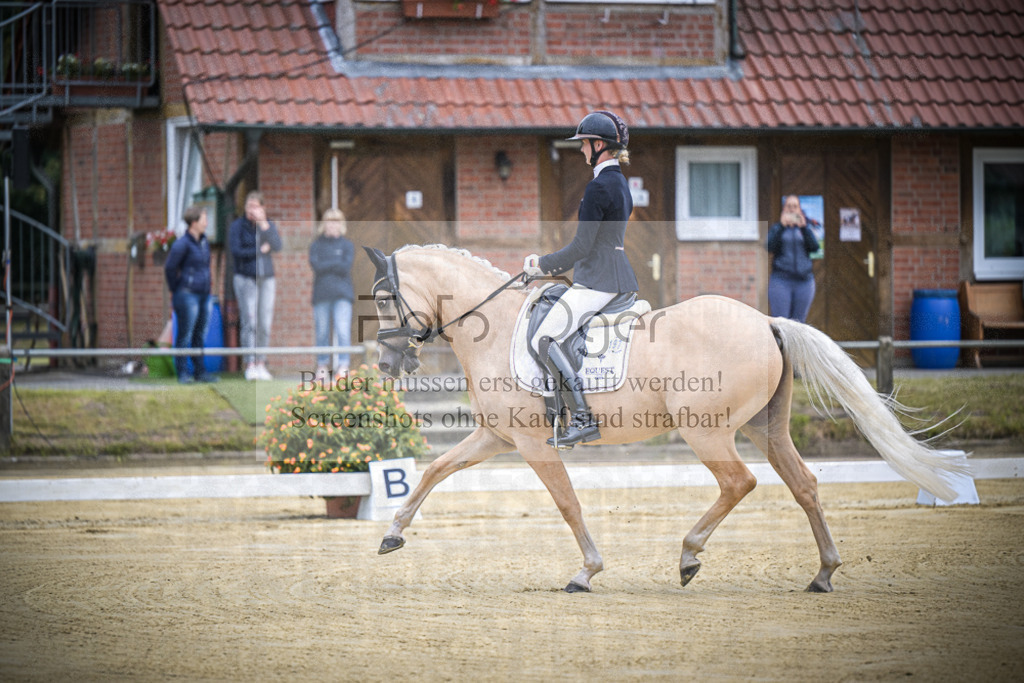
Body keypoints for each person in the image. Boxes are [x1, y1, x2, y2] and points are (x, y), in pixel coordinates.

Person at [523, 110, 639, 448]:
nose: (581, 150)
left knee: (544, 337)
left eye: (584, 144)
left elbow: (582, 246)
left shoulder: (599, 186)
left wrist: (540, 265)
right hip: (616, 274)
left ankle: (583, 418)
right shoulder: (621, 183)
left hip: (600, 281)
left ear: (599, 145)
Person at [229, 191, 282, 381]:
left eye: (255, 206)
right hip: (245, 278)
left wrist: (264, 224)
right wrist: (260, 250)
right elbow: (237, 251)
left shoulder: (267, 225)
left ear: (262, 208)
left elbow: (277, 245)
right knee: (250, 322)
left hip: (266, 279)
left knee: (264, 323)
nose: (251, 210)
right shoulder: (237, 226)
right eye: (248, 206)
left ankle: (261, 363)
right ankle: (250, 364)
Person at [164, 204, 218, 384]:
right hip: (187, 296)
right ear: (193, 222)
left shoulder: (204, 242)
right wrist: (178, 288)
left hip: (204, 295)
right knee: (185, 335)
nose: (206, 222)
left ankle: (200, 372)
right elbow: (170, 268)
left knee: (200, 335)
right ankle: (182, 373)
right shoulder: (182, 244)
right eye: (204, 218)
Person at [309, 208, 355, 383]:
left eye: (336, 221)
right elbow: (316, 267)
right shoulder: (316, 245)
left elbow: (345, 267)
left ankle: (343, 366)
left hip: (343, 295)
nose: (332, 225)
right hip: (321, 294)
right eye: (329, 221)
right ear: (324, 224)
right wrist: (335, 261)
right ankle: (322, 367)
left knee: (342, 330)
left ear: (341, 225)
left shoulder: (347, 245)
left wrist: (327, 263)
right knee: (321, 332)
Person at [764, 194, 820, 323]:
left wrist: (804, 228)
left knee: (799, 325)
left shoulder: (806, 228)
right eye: (788, 206)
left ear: (799, 209)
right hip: (781, 282)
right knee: (781, 324)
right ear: (784, 209)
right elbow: (769, 246)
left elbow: (815, 247)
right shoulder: (777, 227)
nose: (791, 209)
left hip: (804, 282)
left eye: (795, 206)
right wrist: (782, 227)